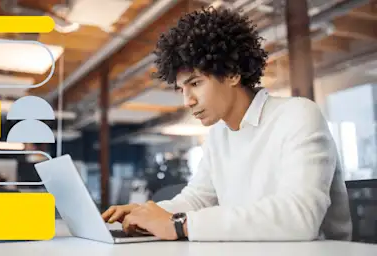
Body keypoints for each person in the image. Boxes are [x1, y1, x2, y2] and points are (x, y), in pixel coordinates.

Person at [102, 6, 352, 242]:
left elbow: (300, 216)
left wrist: (180, 224)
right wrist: (145, 214)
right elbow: (197, 200)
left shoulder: (298, 115)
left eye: (196, 83)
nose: (187, 100)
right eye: (182, 89)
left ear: (232, 73)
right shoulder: (219, 135)